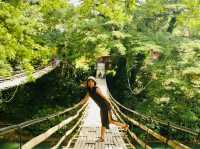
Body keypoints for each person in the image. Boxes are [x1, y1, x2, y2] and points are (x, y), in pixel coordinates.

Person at [84, 76, 129, 142]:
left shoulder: (96, 89)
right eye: (89, 82)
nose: (90, 83)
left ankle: (102, 138)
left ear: (94, 83)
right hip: (102, 107)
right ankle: (124, 126)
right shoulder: (89, 92)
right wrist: (77, 104)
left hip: (105, 106)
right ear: (87, 83)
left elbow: (103, 96)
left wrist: (110, 103)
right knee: (109, 121)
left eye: (92, 82)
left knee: (106, 121)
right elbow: (84, 100)